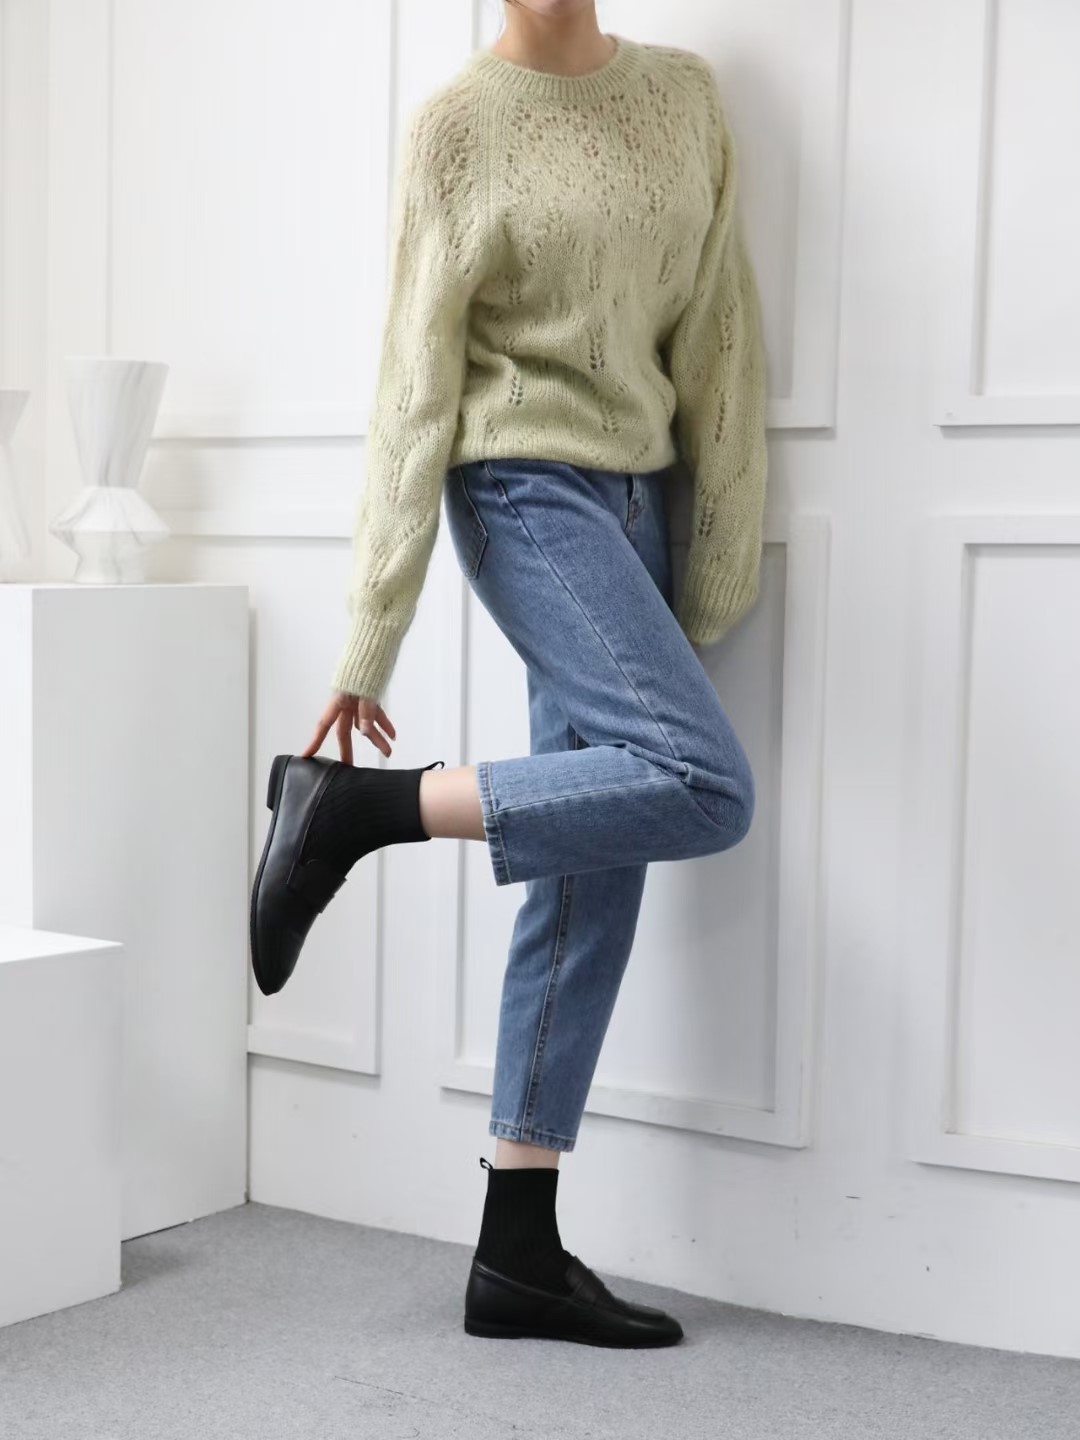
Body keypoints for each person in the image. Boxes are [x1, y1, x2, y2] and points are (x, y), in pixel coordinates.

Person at [250, 0, 768, 1348]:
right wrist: (370, 636)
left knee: (590, 865)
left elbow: (719, 335)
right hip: (518, 488)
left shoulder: (684, 99)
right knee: (705, 784)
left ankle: (517, 1254)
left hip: (638, 502)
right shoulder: (456, 130)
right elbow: (414, 386)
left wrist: (715, 561)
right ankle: (354, 809)